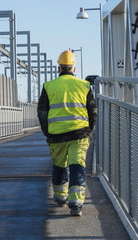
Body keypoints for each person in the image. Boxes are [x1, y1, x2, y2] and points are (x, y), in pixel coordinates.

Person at [37, 50, 97, 217]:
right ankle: (76, 203)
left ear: (59, 68)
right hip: (79, 133)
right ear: (74, 68)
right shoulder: (84, 86)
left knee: (59, 166)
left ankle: (60, 195)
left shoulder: (49, 86)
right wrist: (90, 130)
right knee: (77, 166)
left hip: (56, 135)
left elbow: (42, 111)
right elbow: (93, 110)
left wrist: (46, 132)